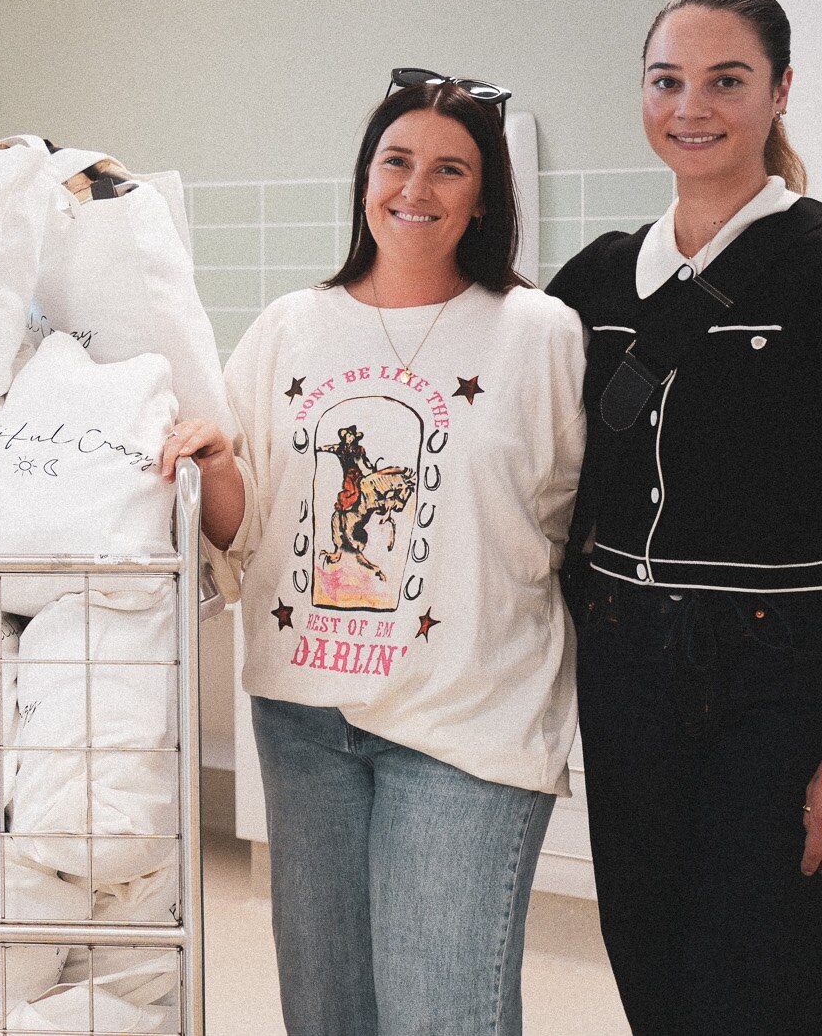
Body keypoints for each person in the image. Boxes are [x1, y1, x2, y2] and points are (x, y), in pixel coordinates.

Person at [161, 71, 585, 1035]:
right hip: (308, 720)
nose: (417, 187)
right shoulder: (289, 329)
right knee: (328, 1013)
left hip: (468, 724)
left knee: (441, 1014)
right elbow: (248, 529)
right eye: (397, 161)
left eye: (450, 169)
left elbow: (568, 522)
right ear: (364, 179)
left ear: (486, 196)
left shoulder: (539, 336)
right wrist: (219, 462)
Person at [547, 0, 822, 1034]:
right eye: (666, 80)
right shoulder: (593, 283)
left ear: (779, 91)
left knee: (761, 974)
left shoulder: (811, 263)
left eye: (725, 80)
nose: (690, 106)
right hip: (625, 670)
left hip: (780, 674)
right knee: (649, 959)